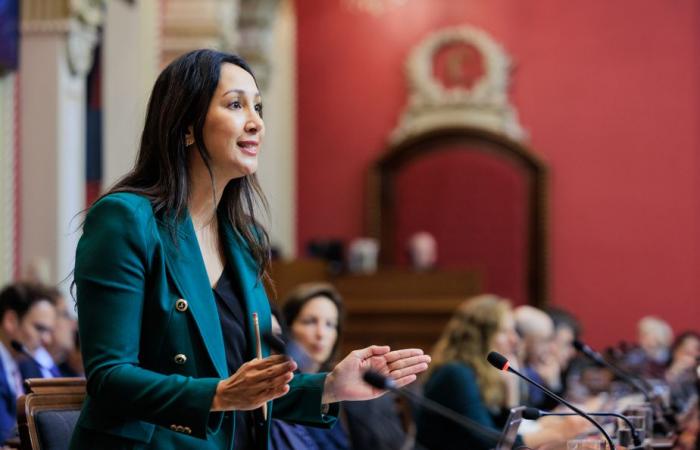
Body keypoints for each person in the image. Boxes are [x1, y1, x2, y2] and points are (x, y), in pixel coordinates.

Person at [69, 49, 430, 450]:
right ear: (186, 126)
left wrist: (329, 386)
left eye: (258, 107)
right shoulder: (127, 219)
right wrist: (220, 395)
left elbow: (250, 390)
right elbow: (108, 376)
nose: (256, 122)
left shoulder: (244, 240)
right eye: (236, 105)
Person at [416, 295, 587, 450]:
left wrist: (511, 392)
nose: (514, 339)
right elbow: (491, 441)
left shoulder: (483, 373)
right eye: (505, 332)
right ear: (480, 336)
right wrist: (558, 434)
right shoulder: (456, 373)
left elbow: (501, 431)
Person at [282, 282, 408, 450]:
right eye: (310, 321)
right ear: (288, 327)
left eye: (330, 324)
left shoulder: (343, 385)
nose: (321, 333)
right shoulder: (281, 392)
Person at [0, 282, 57, 442]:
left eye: (49, 331)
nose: (47, 340)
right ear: (11, 320)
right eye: (40, 328)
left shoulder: (22, 364)